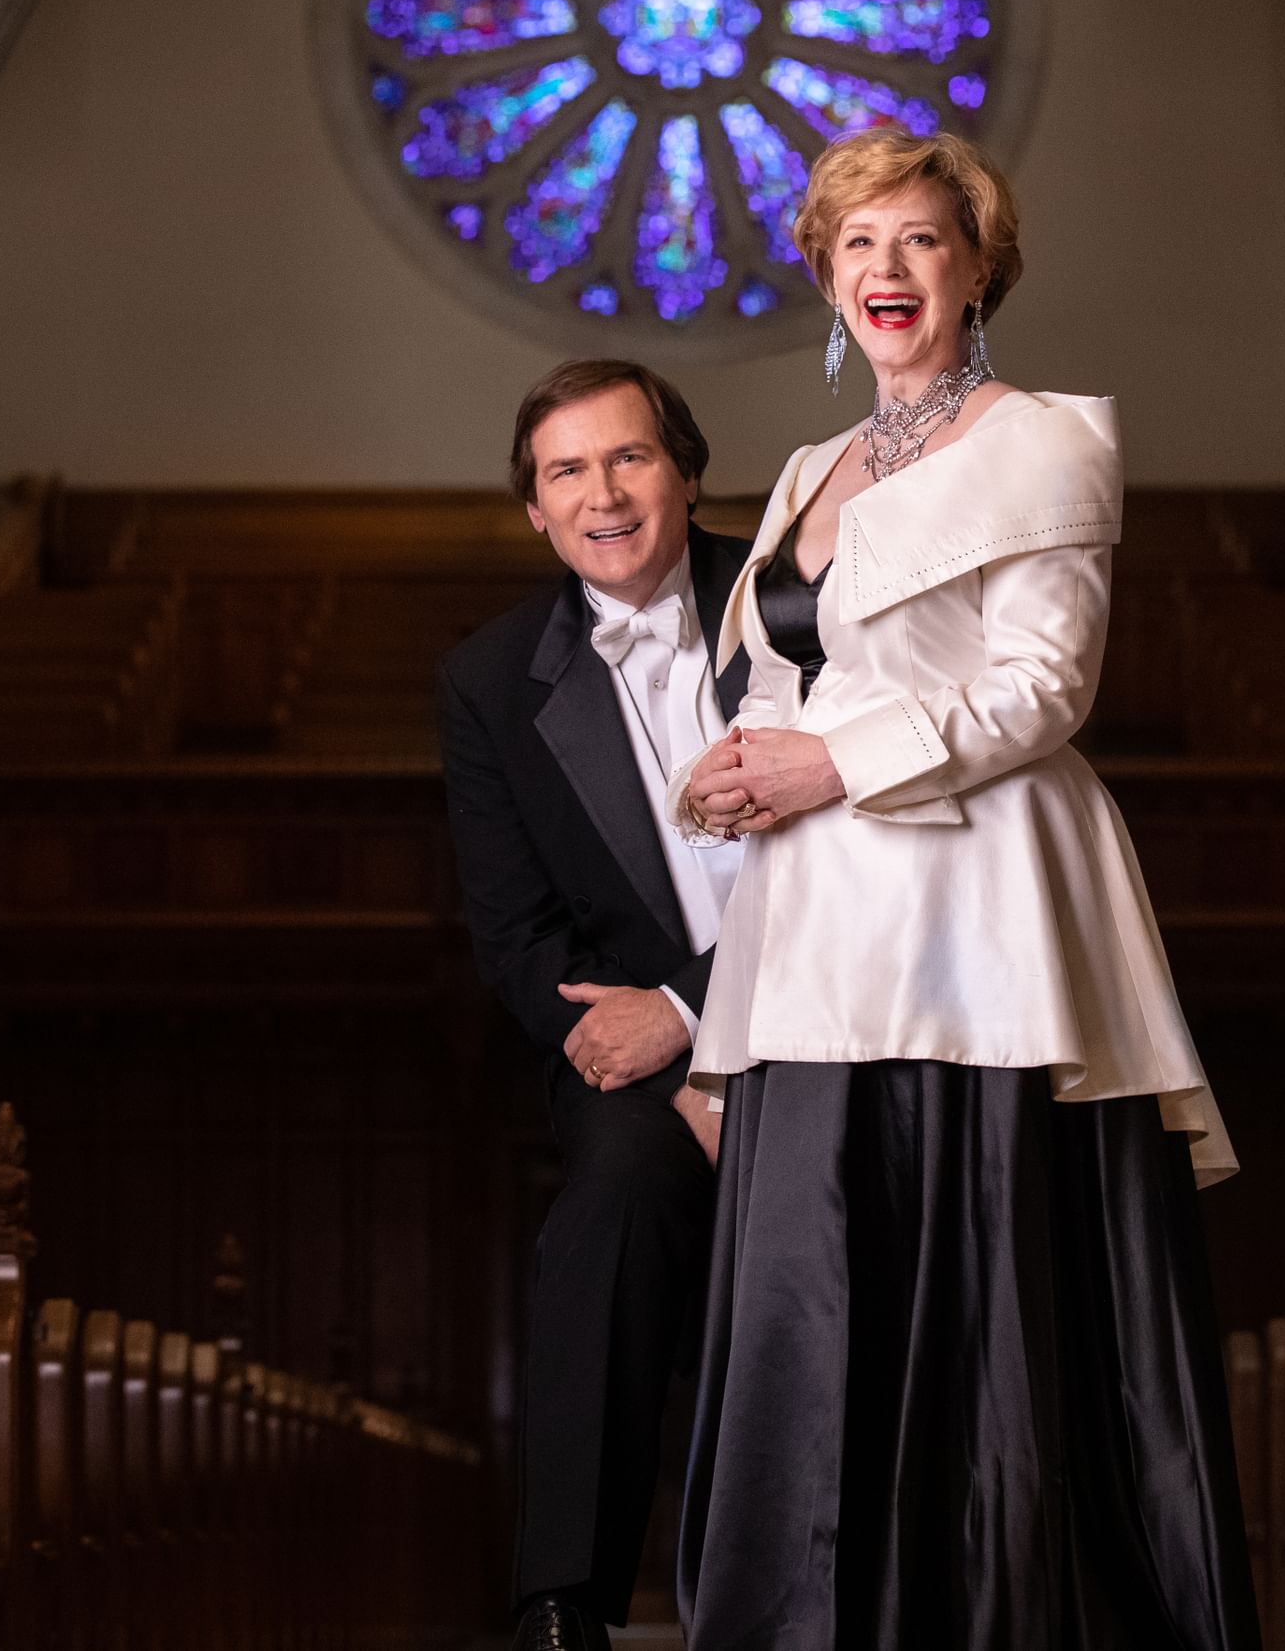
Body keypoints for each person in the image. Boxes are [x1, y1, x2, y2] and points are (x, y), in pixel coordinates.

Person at [669, 129, 1260, 1649]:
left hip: (972, 929)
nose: (887, 270)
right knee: (811, 1294)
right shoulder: (812, 466)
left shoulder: (1044, 441)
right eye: (857, 245)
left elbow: (1042, 693)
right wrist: (738, 769)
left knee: (980, 1295)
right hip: (809, 937)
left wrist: (830, 769)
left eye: (921, 241)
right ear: (824, 271)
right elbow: (790, 679)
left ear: (978, 264)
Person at [436, 360, 750, 1651]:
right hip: (633, 1060)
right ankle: (566, 1605)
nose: (603, 494)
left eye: (628, 459)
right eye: (567, 471)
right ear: (535, 512)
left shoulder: (791, 597)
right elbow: (515, 936)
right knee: (606, 1212)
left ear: (684, 472)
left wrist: (699, 1014)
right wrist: (665, 1054)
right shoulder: (490, 679)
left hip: (841, 1005)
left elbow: (876, 862)